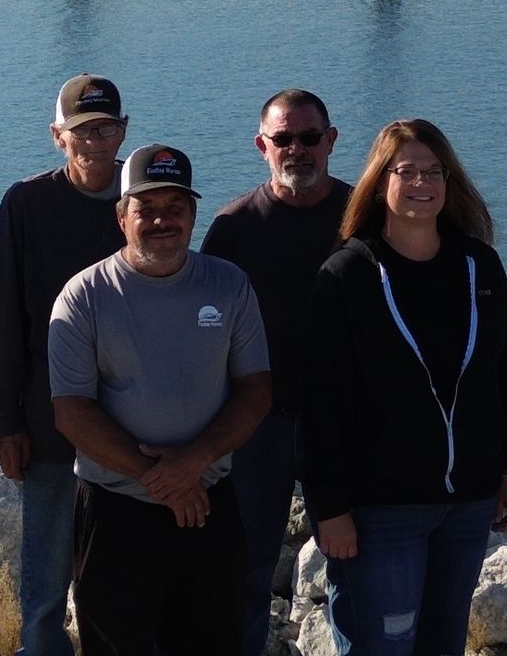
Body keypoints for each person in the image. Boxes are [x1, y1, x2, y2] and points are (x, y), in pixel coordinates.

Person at [303, 119, 507, 656]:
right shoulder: (346, 276)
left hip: (468, 502)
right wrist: (329, 509)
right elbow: (322, 405)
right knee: (383, 647)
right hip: (383, 511)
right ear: (380, 183)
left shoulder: (480, 265)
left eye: (434, 171)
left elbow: (505, 373)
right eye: (408, 171)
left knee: (444, 644)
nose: (423, 183)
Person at [48, 143, 273, 654]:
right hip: (115, 512)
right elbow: (72, 411)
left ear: (193, 214)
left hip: (209, 506)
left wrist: (193, 464)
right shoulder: (83, 296)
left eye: (174, 208)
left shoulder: (229, 284)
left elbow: (256, 391)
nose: (161, 221)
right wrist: (165, 481)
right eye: (145, 209)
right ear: (121, 216)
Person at [200, 88, 351, 656]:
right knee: (246, 567)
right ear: (261, 145)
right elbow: (203, 330)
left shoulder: (364, 217)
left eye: (310, 138)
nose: (298, 150)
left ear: (331, 141)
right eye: (283, 139)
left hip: (343, 426)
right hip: (254, 426)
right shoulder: (234, 226)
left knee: (352, 562)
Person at [0, 75, 130, 656]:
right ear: (57, 137)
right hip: (46, 425)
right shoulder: (27, 204)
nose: (94, 141)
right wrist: (5, 421)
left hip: (130, 425)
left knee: (118, 568)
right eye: (81, 131)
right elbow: (4, 322)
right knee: (44, 574)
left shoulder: (143, 196)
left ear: (123, 131)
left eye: (105, 128)